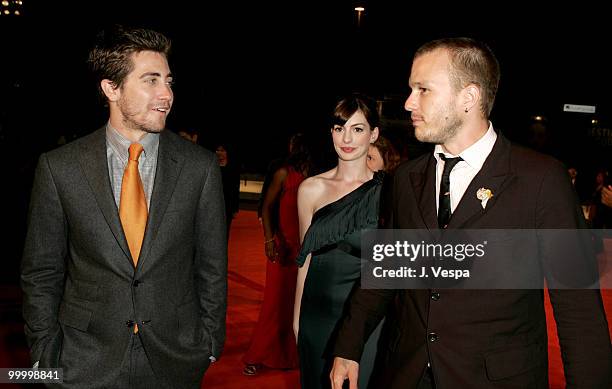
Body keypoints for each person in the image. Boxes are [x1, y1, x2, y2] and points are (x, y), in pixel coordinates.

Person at [330, 37, 612, 388]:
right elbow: (385, 273)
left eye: (423, 90)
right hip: (405, 373)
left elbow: (578, 310)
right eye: (411, 89)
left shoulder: (542, 179)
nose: (408, 103)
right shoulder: (405, 178)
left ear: (469, 97)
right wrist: (348, 346)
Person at [20, 26, 227, 389]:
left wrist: (209, 344)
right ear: (111, 88)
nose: (167, 94)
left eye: (168, 80)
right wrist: (42, 352)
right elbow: (41, 270)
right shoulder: (60, 167)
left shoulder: (200, 167)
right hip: (82, 359)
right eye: (151, 80)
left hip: (174, 359)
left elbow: (211, 266)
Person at [294, 93, 384, 389]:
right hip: (315, 316)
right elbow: (304, 260)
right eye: (339, 128)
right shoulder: (311, 189)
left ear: (374, 134)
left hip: (362, 319)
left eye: (357, 129)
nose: (346, 137)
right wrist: (297, 320)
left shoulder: (388, 193)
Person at [241, 133, 311, 375]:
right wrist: (269, 239)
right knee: (275, 304)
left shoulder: (317, 176)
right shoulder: (284, 173)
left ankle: (291, 355)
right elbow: (267, 206)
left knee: (297, 305)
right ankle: (257, 355)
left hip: (307, 249)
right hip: (284, 248)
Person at [215, 142, 240, 237]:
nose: (219, 152)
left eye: (222, 150)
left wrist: (235, 208)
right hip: (214, 204)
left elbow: (235, 188)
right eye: (217, 150)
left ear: (226, 152)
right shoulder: (212, 166)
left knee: (224, 231)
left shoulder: (232, 167)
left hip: (227, 205)